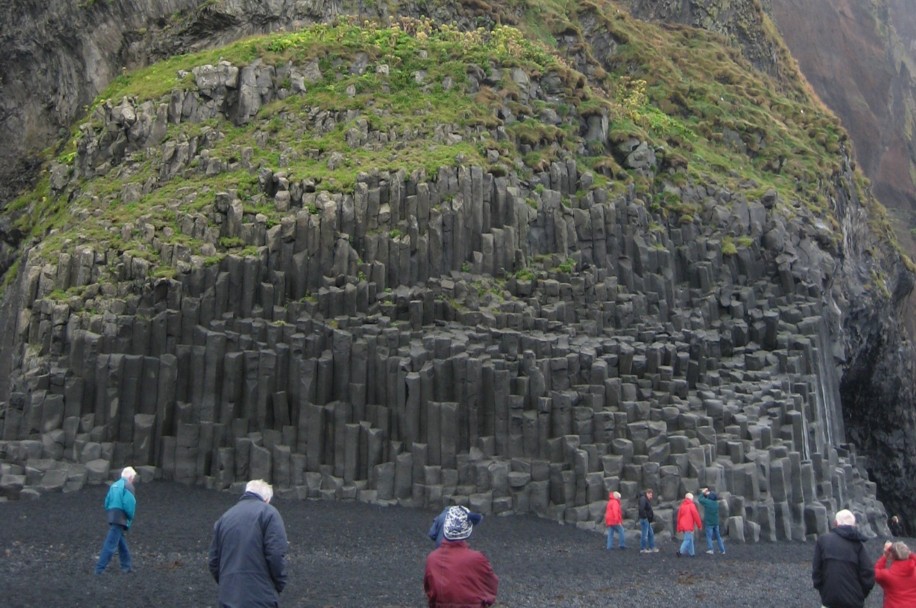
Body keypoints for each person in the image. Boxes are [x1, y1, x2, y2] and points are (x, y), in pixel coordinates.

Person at [209, 480, 289, 608]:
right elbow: (276, 554)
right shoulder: (269, 513)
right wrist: (279, 584)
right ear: (267, 499)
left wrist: (226, 583)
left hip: (228, 595)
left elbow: (213, 561)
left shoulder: (225, 518)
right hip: (260, 595)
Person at [424, 505, 499, 607]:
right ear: (467, 530)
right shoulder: (477, 558)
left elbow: (429, 589)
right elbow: (491, 585)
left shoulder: (432, 558)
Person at [812, 509, 875, 608]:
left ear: (835, 523)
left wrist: (823, 590)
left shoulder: (823, 541)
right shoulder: (858, 545)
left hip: (829, 599)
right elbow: (868, 573)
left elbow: (816, 571)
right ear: (853, 525)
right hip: (854, 601)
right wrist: (861, 594)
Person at [94, 466, 138, 574]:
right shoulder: (128, 486)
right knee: (110, 544)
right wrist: (130, 517)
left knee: (120, 542)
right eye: (133, 478)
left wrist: (110, 512)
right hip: (120, 516)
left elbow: (107, 502)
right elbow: (129, 504)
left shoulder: (114, 485)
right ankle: (99, 569)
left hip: (112, 514)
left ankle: (126, 566)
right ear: (131, 477)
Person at [874, 540, 916, 607]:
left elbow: (875, 572)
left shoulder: (887, 575)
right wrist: (909, 553)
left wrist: (885, 555)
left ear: (892, 557)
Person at [698, 487, 725, 555]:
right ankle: (722, 550)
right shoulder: (716, 503)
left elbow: (700, 499)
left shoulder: (708, 502)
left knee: (709, 536)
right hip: (716, 522)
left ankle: (710, 549)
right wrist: (707, 494)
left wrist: (703, 493)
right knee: (718, 536)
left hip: (709, 522)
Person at [675, 492, 702, 557]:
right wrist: (699, 525)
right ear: (691, 498)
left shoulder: (682, 506)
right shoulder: (691, 505)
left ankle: (692, 553)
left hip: (683, 525)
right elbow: (696, 516)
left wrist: (678, 526)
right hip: (688, 525)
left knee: (690, 539)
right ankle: (680, 551)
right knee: (687, 539)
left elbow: (678, 517)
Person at [637, 488, 658, 553]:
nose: (651, 496)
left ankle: (652, 547)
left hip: (646, 520)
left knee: (650, 533)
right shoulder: (643, 499)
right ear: (647, 493)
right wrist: (645, 516)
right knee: (645, 534)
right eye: (650, 495)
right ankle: (643, 549)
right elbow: (641, 509)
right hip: (644, 519)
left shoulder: (645, 499)